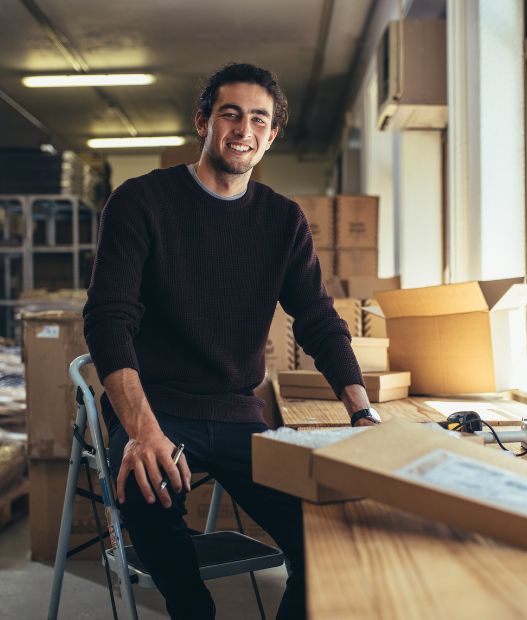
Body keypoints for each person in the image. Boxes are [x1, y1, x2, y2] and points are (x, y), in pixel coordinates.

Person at [83, 62, 381, 620]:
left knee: (328, 532)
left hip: (240, 415)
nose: (244, 129)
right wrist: (142, 431)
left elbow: (317, 317)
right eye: (231, 114)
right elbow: (107, 318)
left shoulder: (282, 221)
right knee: (148, 493)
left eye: (258, 119)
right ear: (203, 122)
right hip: (157, 406)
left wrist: (361, 413)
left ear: (271, 137)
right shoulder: (141, 201)